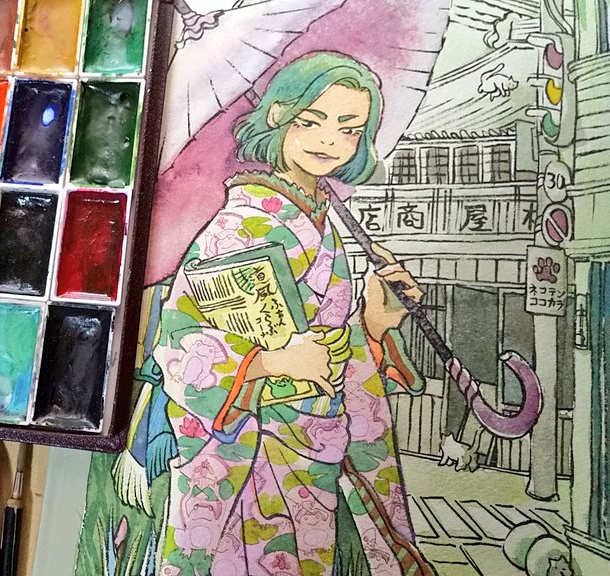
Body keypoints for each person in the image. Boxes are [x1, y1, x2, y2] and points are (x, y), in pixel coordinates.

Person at [153, 51, 433, 576]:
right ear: (279, 114)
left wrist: (373, 321)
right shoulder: (242, 223)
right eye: (312, 121)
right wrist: (268, 363)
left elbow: (334, 339)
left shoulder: (323, 221)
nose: (330, 141)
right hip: (252, 443)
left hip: (313, 442)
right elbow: (180, 335)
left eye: (349, 129)